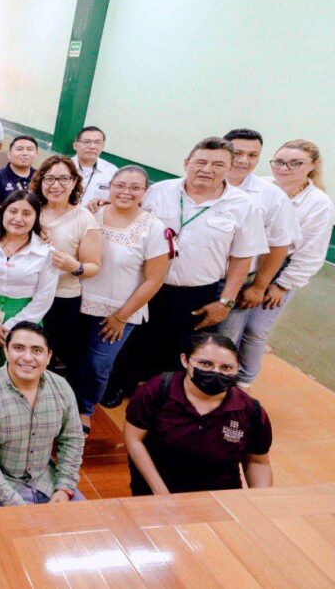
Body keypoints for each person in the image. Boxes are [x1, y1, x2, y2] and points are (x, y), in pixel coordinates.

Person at [106, 138, 268, 401]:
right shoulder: (159, 191)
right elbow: (127, 213)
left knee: (180, 350)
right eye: (200, 162)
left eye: (218, 165)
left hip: (196, 292)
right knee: (134, 342)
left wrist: (225, 302)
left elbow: (242, 259)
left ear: (229, 169)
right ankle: (120, 385)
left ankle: (161, 396)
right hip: (146, 285)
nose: (207, 169)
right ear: (186, 163)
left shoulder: (244, 206)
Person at [223, 138, 332, 386]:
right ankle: (221, 373)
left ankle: (243, 381)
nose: (284, 168)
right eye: (279, 162)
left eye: (295, 163)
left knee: (255, 329)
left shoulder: (319, 204)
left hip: (280, 271)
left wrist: (281, 285)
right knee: (230, 324)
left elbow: (311, 253)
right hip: (244, 262)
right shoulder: (260, 185)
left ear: (313, 165)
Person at [73, 167, 169, 432]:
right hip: (77, 302)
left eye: (135, 187)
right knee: (74, 358)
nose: (126, 192)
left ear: (145, 192)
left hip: (117, 313)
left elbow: (154, 280)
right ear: (110, 186)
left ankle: (84, 409)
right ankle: (63, 404)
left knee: (97, 365)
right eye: (120, 185)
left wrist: (121, 316)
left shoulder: (154, 228)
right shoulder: (91, 214)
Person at [124, 333, 272, 495]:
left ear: (237, 368)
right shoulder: (156, 391)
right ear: (185, 360)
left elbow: (258, 462)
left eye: (226, 367)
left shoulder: (250, 410)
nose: (216, 372)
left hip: (220, 496)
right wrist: (161, 494)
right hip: (157, 492)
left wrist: (260, 499)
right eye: (205, 364)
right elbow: (134, 440)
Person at [0, 322, 85, 507]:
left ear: (48, 356)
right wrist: (18, 505)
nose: (27, 358)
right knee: (22, 526)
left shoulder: (61, 387)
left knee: (88, 521)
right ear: (6, 351)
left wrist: (64, 487)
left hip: (46, 479)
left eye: (37, 350)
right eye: (19, 348)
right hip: (1, 486)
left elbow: (72, 440)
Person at [216, 130, 300, 386]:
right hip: (194, 279)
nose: (244, 160)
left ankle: (217, 392)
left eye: (253, 155)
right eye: (238, 153)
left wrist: (259, 286)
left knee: (223, 343)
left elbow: (280, 245)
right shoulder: (205, 181)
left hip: (235, 282)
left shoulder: (271, 196)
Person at [0, 191, 57, 375]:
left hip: (27, 316)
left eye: (26, 213)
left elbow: (44, 297)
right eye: (13, 211)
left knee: (20, 367)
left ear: (36, 218)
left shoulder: (45, 251)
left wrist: (11, 328)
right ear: (3, 212)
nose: (18, 219)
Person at [31, 156, 102, 377]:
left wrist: (75, 266)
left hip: (61, 299)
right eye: (49, 178)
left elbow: (94, 266)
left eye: (63, 178)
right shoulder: (31, 208)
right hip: (26, 294)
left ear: (74, 182)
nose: (56, 185)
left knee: (50, 354)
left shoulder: (84, 218)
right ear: (41, 181)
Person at [0, 135, 38, 207]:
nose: (25, 153)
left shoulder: (40, 177)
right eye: (19, 149)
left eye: (30, 149)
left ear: (36, 155)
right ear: (9, 154)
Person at [72, 126, 118, 205]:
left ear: (103, 146)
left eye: (97, 142)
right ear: (75, 145)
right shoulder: (62, 167)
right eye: (87, 142)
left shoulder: (113, 172)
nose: (92, 147)